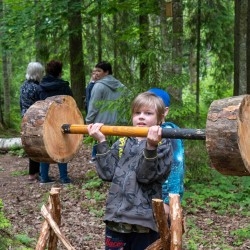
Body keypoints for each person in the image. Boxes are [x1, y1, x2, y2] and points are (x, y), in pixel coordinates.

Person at [87, 92, 173, 250]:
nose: (141, 117)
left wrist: (151, 147)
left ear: (160, 118)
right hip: (116, 220)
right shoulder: (122, 142)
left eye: (148, 113)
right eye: (137, 113)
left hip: (144, 222)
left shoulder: (163, 145)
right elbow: (107, 174)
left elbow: (145, 176)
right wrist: (101, 141)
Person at [148, 88, 185, 221]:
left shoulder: (169, 133)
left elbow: (176, 168)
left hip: (162, 200)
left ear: (165, 111)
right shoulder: (146, 132)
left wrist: (168, 201)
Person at [36, 60, 73, 184]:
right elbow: (71, 104)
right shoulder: (64, 86)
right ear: (60, 72)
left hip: (44, 119)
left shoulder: (40, 86)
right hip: (62, 120)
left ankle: (44, 177)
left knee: (45, 146)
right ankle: (63, 177)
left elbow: (37, 104)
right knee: (62, 146)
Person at [86, 61, 126, 163]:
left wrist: (88, 121)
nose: (96, 73)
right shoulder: (121, 86)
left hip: (100, 124)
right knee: (115, 151)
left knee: (100, 150)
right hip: (118, 123)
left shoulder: (99, 86)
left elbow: (93, 106)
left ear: (106, 72)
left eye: (99, 71)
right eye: (94, 71)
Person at [20, 62, 44, 182]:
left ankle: (32, 173)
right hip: (35, 118)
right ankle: (35, 173)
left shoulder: (23, 86)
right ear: (38, 73)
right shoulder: (37, 88)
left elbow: (21, 103)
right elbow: (41, 104)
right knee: (37, 144)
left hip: (25, 117)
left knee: (30, 144)